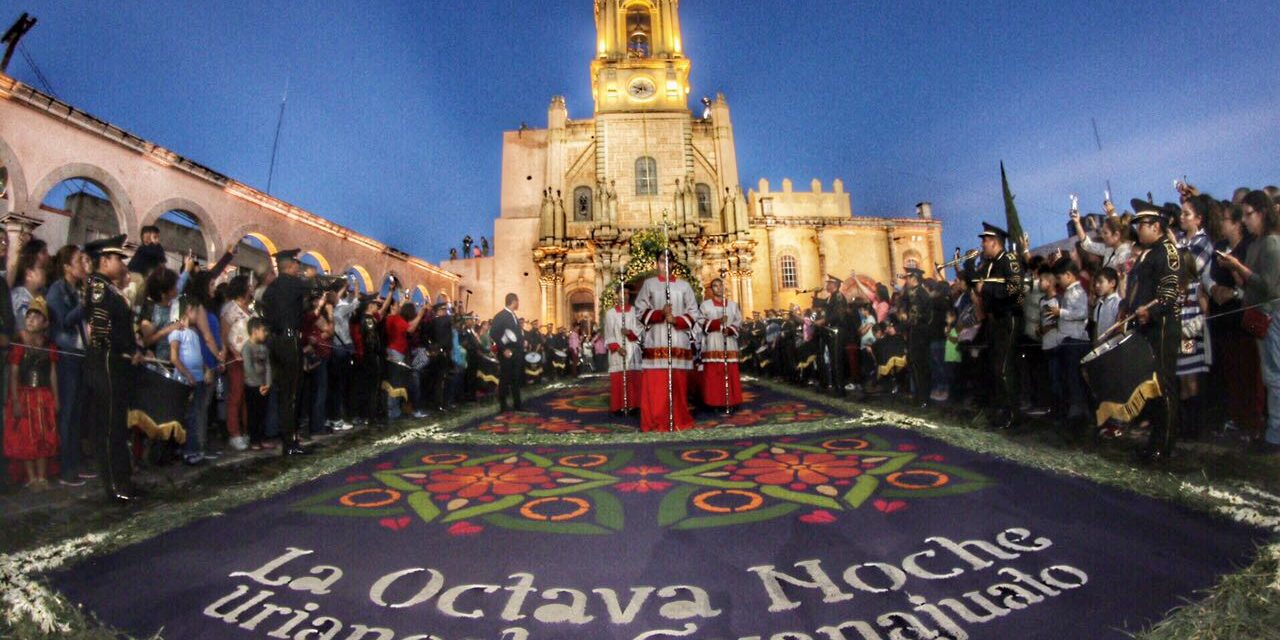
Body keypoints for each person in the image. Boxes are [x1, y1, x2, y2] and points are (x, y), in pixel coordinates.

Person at [1217, 190, 1280, 454]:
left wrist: (1239, 268)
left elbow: (1269, 286)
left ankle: (1275, 436)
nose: (1245, 221)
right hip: (1258, 315)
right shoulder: (1255, 244)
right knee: (1269, 375)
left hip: (1272, 316)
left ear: (1262, 212)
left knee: (1275, 376)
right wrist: (1234, 269)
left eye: (1248, 214)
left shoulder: (1271, 244)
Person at [84, 235, 143, 502]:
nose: (122, 263)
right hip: (107, 360)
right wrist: (128, 350)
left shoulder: (109, 288)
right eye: (118, 258)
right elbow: (102, 330)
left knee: (118, 424)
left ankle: (123, 480)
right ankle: (114, 486)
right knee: (109, 426)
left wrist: (133, 350)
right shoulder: (98, 287)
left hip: (116, 361)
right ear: (104, 260)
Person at [1126, 200, 1184, 463]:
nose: (1138, 230)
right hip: (1146, 326)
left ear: (1157, 226)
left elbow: (1169, 292)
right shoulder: (1147, 252)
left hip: (1162, 326)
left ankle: (1166, 444)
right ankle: (1155, 441)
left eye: (1142, 225)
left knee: (1164, 385)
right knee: (1153, 386)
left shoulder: (1168, 251)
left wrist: (1150, 311)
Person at [634, 249, 699, 432]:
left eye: (669, 260)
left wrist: (677, 320)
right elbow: (639, 311)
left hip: (678, 340)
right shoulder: (649, 284)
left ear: (674, 264)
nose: (666, 264)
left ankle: (679, 418)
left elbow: (694, 311)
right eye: (662, 260)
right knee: (657, 385)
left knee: (677, 384)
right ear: (657, 263)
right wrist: (659, 314)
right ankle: (656, 419)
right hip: (657, 339)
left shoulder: (684, 286)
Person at [260, 249, 317, 456]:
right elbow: (315, 287)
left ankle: (286, 438)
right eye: (296, 265)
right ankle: (290, 442)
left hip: (275, 341)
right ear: (291, 266)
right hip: (290, 340)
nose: (298, 268)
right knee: (292, 393)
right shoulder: (292, 283)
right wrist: (311, 278)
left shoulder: (271, 289)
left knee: (282, 392)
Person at [3, 297, 58, 491]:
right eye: (29, 316)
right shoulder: (19, 342)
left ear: (45, 323)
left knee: (43, 435)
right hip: (24, 395)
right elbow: (14, 373)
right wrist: (15, 400)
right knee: (27, 437)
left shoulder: (48, 345)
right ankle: (32, 477)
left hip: (43, 395)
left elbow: (52, 372)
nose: (31, 320)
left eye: (36, 316)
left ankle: (42, 476)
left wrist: (56, 397)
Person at [974, 222, 1024, 429]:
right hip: (994, 321)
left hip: (1008, 318)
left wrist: (986, 288)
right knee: (995, 368)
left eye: (985, 241)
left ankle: (1012, 413)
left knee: (1003, 368)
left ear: (994, 242)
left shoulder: (1009, 260)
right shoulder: (989, 264)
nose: (982, 245)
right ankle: (1001, 409)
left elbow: (1015, 290)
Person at [46, 245, 90, 486]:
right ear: (66, 267)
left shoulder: (76, 289)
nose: (82, 265)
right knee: (68, 411)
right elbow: (61, 322)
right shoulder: (58, 290)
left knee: (77, 413)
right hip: (66, 355)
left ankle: (74, 463)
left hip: (80, 355)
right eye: (78, 261)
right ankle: (65, 467)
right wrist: (82, 306)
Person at [170, 297, 212, 465]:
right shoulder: (177, 332)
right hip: (186, 381)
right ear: (188, 310)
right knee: (189, 416)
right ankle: (189, 451)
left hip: (198, 378)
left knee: (196, 415)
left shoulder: (194, 333)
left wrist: (206, 369)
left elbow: (198, 356)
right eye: (196, 311)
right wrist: (188, 375)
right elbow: (174, 357)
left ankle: (195, 449)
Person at [1050, 259, 1090, 433]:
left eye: (1059, 277)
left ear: (1068, 275)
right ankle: (1073, 411)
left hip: (1076, 340)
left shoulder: (1077, 292)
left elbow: (1082, 313)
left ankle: (1079, 412)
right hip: (1067, 340)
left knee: (1074, 378)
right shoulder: (1069, 292)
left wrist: (1061, 312)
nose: (1058, 281)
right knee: (1068, 378)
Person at [699, 277, 744, 411]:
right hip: (713, 341)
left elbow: (738, 322)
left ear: (724, 287)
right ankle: (715, 402)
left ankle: (731, 401)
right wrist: (716, 322)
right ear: (711, 289)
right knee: (714, 374)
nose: (718, 288)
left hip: (728, 342)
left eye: (720, 285)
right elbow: (700, 322)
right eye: (715, 286)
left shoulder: (732, 305)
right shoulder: (705, 305)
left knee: (730, 372)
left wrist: (730, 329)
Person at [605, 291, 642, 414]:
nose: (624, 295)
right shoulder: (610, 314)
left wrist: (630, 333)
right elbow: (608, 333)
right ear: (617, 295)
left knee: (633, 378)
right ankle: (618, 406)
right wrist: (617, 348)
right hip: (618, 352)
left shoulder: (635, 311)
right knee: (618, 380)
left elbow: (640, 330)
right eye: (621, 293)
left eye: (626, 293)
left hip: (632, 349)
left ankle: (634, 405)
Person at [900, 268, 932, 407]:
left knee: (920, 364)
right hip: (914, 332)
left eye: (908, 278)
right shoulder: (912, 293)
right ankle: (919, 395)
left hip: (920, 333)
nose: (906, 281)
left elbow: (917, 315)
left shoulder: (920, 293)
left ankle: (923, 397)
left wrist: (904, 321)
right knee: (915, 364)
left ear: (914, 278)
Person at [490, 293, 524, 412]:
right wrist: (503, 349)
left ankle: (517, 404)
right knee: (504, 379)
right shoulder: (501, 316)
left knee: (515, 379)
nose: (518, 304)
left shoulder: (513, 315)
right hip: (507, 353)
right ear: (513, 301)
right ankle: (503, 406)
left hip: (516, 352)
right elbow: (493, 334)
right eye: (517, 301)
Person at [241, 317, 272, 450]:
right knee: (253, 414)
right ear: (254, 331)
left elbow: (268, 366)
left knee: (263, 413)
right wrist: (260, 385)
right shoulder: (247, 347)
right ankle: (254, 440)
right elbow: (248, 369)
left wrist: (268, 383)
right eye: (263, 330)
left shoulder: (264, 347)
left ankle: (262, 438)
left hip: (264, 385)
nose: (265, 333)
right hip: (252, 386)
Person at [423, 302, 455, 412]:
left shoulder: (438, 321)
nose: (446, 312)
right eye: (443, 309)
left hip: (442, 352)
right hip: (439, 354)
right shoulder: (439, 321)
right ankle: (439, 403)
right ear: (438, 311)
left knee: (441, 379)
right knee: (439, 380)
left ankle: (442, 403)